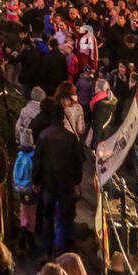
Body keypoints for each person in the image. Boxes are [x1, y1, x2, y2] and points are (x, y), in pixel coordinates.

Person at [32, 99, 83, 257]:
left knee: (48, 218)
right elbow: (78, 162)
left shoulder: (43, 136)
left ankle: (46, 251)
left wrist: (36, 181)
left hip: (48, 184)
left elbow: (38, 161)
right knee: (64, 219)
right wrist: (77, 180)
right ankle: (63, 253)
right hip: (66, 184)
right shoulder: (70, 138)